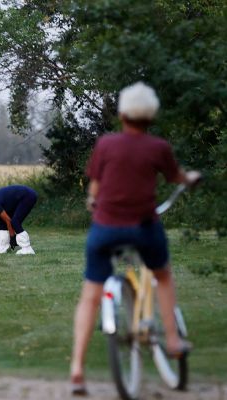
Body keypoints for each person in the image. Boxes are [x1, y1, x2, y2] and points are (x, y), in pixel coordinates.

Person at [69, 82, 200, 396]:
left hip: (105, 228)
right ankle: (171, 339)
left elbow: (96, 188)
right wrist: (190, 178)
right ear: (151, 116)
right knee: (163, 275)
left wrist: (93, 201)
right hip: (143, 227)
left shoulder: (105, 145)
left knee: (90, 295)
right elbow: (177, 177)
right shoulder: (158, 148)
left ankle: (76, 368)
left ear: (123, 113)